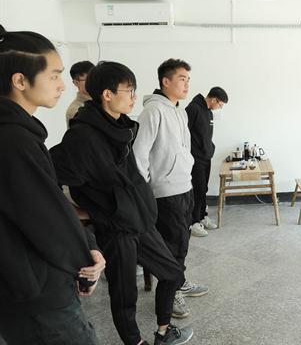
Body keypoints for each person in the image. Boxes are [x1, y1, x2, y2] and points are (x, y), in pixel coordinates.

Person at [50, 61, 193, 345]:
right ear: (107, 94)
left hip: (140, 220)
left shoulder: (121, 126)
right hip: (116, 229)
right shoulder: (82, 135)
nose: (134, 97)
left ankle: (163, 331)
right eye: (129, 91)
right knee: (125, 295)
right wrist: (85, 213)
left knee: (173, 272)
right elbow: (53, 178)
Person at [0, 27, 105, 345]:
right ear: (20, 81)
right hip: (36, 294)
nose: (62, 85)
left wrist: (86, 244)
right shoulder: (14, 140)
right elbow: (45, 218)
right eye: (54, 75)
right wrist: (86, 261)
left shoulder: (19, 133)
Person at [133, 58, 208, 319]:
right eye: (181, 79)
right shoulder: (153, 111)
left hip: (184, 186)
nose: (186, 84)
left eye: (188, 79)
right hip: (166, 192)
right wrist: (145, 191)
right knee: (172, 246)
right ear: (165, 81)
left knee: (182, 242)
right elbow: (139, 154)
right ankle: (171, 290)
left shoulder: (179, 110)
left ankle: (179, 281)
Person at [186, 87, 229, 237]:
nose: (220, 108)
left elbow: (206, 136)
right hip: (195, 158)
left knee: (203, 188)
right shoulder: (193, 109)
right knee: (197, 189)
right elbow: (184, 134)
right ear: (214, 99)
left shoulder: (209, 112)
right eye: (220, 105)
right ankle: (193, 222)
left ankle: (202, 216)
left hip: (206, 157)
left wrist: (210, 148)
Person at [65, 60, 94, 126]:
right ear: (76, 83)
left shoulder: (104, 100)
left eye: (95, 77)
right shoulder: (74, 111)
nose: (94, 82)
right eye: (88, 79)